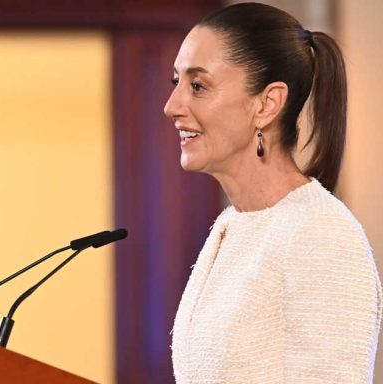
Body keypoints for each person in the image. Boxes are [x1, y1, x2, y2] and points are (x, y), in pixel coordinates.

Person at [163, 2, 382, 383]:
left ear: (267, 104)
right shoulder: (232, 227)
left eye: (198, 86)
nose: (172, 106)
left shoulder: (321, 234)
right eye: (176, 82)